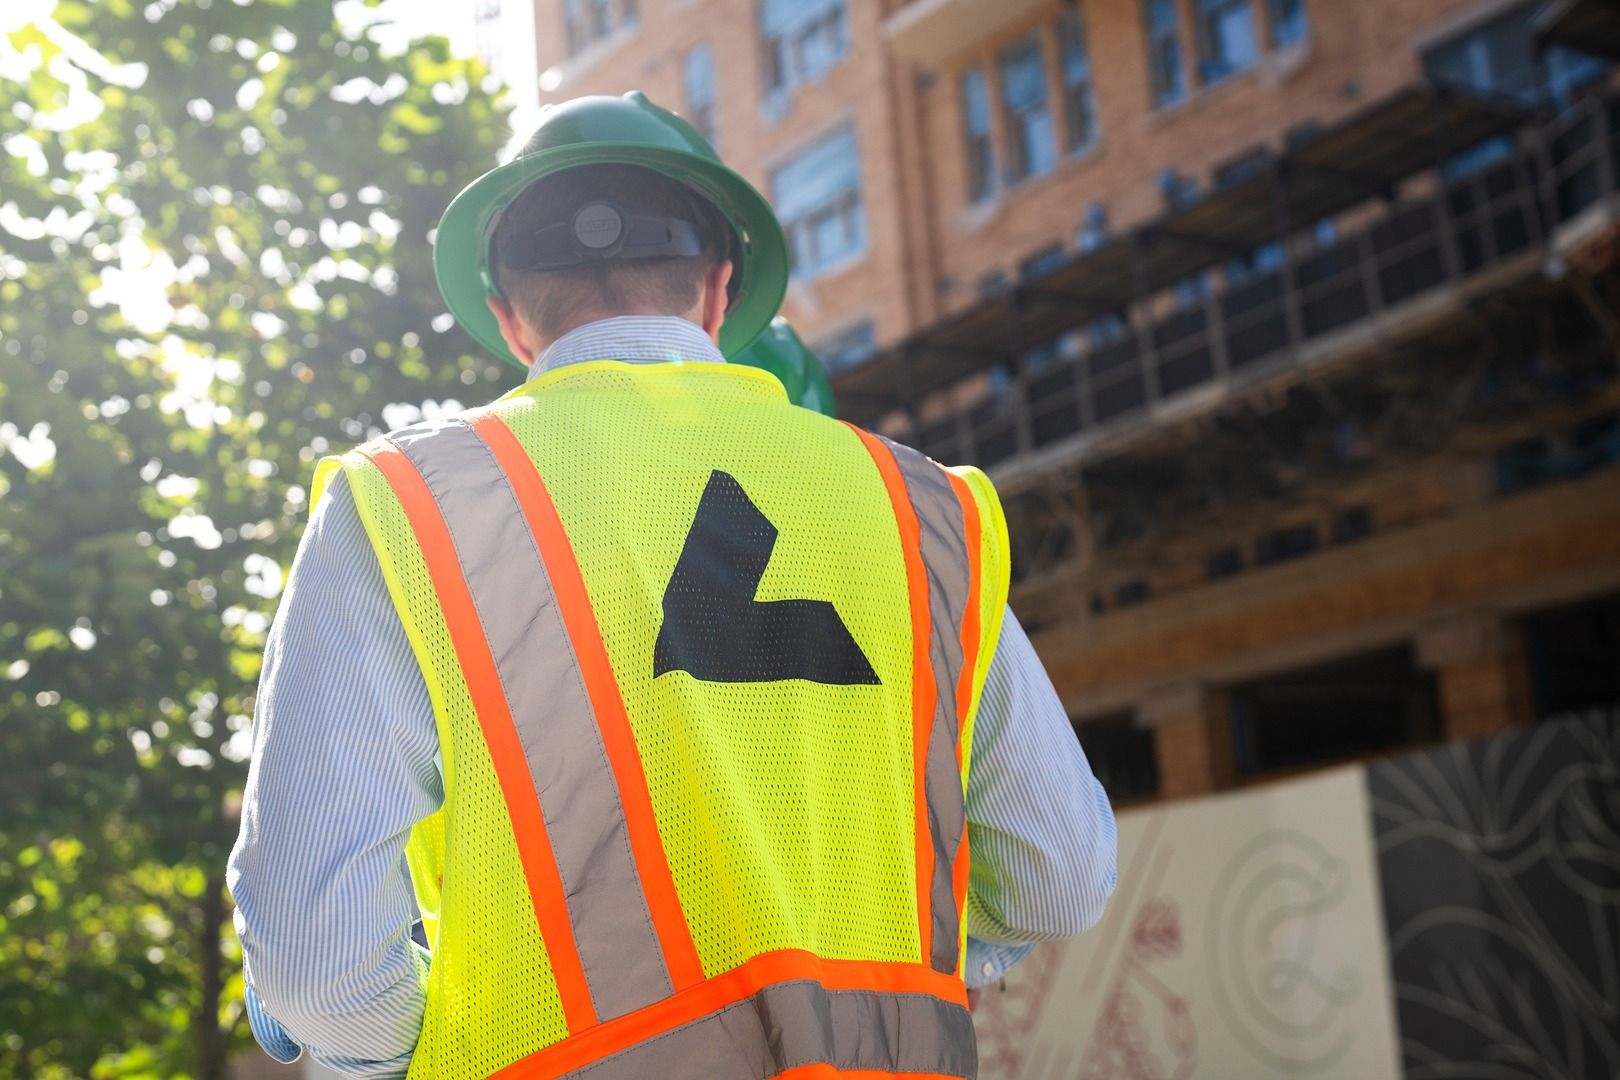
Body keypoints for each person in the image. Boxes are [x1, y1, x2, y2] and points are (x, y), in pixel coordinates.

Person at [228, 92, 1116, 1079]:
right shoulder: (922, 509)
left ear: (510, 319)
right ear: (720, 292)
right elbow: (1060, 877)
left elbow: (321, 965)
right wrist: (932, 967)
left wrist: (392, 1056)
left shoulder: (405, 506)